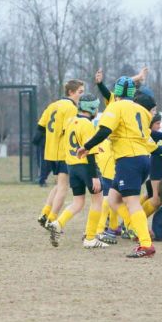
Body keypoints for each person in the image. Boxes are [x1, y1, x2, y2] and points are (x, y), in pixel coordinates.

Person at [77, 76, 156, 258]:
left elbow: (105, 130)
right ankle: (138, 230)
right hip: (142, 157)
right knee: (113, 198)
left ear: (117, 92)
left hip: (129, 158)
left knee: (132, 202)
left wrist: (87, 146)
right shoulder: (142, 110)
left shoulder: (115, 106)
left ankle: (146, 244)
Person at [47, 94, 109, 249]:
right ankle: (90, 238)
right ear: (92, 108)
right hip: (85, 166)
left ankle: (58, 223)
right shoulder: (87, 125)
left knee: (78, 202)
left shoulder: (70, 122)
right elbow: (89, 151)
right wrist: (94, 176)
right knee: (97, 201)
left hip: (71, 167)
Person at [36, 79, 85, 228]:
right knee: (63, 187)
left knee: (59, 185)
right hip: (64, 152)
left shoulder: (53, 105)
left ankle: (45, 213)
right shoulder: (70, 108)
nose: (81, 96)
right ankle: (51, 219)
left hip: (51, 152)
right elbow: (69, 130)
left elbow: (40, 127)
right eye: (80, 92)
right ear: (71, 92)